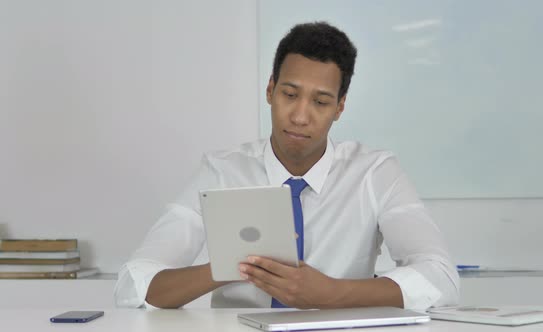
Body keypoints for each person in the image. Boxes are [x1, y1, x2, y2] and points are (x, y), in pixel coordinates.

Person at [114, 22, 459, 310]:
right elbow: (134, 282)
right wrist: (227, 266)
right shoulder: (222, 171)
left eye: (320, 102)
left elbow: (440, 277)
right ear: (270, 90)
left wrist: (331, 294)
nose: (299, 116)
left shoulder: (375, 173)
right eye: (289, 95)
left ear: (339, 108)